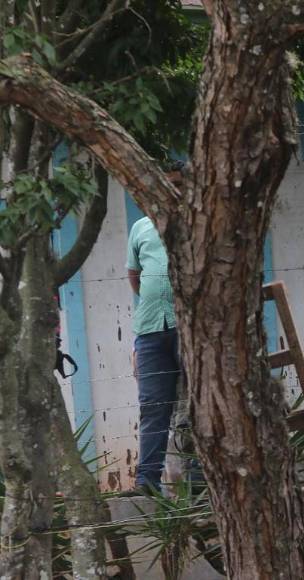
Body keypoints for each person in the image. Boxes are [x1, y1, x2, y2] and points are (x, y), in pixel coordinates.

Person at [126, 170, 182, 493]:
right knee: (153, 406)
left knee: (197, 407)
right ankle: (147, 481)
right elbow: (135, 276)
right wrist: (156, 294)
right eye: (164, 183)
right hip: (149, 328)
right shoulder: (141, 227)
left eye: (176, 185)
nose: (168, 190)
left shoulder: (195, 222)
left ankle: (199, 480)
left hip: (188, 327)